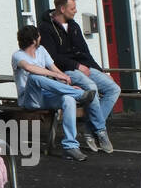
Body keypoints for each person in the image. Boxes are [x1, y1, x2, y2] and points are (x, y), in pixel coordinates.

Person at [38, 0, 119, 153]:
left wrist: (99, 70)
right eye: (72, 8)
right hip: (65, 70)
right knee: (91, 88)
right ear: (62, 9)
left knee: (113, 88)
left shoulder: (73, 25)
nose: (75, 11)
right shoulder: (45, 28)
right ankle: (101, 131)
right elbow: (52, 58)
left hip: (83, 67)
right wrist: (76, 65)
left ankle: (89, 129)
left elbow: (85, 52)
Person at [12, 25, 104, 161]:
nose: (40, 38)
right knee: (34, 77)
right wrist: (58, 76)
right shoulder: (17, 55)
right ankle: (78, 95)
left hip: (46, 96)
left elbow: (54, 69)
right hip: (29, 99)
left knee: (68, 99)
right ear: (33, 40)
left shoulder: (42, 50)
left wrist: (67, 82)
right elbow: (29, 68)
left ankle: (70, 147)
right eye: (38, 36)